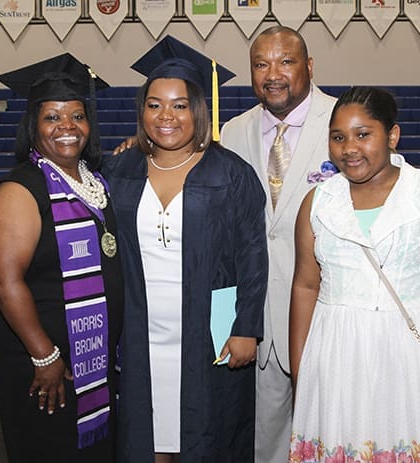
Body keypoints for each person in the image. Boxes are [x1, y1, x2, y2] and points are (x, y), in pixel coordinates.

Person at [289, 86, 420, 462]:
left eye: (363, 134)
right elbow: (305, 286)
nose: (350, 147)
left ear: (392, 135)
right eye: (339, 137)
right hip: (338, 353)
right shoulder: (317, 203)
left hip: (413, 356)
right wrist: (303, 370)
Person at [101, 36, 268, 463]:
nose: (166, 116)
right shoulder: (119, 169)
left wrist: (247, 326)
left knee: (206, 433)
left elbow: (252, 254)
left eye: (179, 104)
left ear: (198, 108)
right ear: (141, 111)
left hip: (207, 329)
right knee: (146, 430)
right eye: (154, 104)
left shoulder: (231, 172)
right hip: (140, 330)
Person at [0, 54, 123, 463]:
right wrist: (44, 355)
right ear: (34, 125)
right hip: (46, 362)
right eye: (52, 117)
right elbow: (4, 280)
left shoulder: (94, 180)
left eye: (77, 115)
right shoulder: (21, 189)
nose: (67, 126)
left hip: (94, 356)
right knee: (51, 448)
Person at [219, 26, 337, 463]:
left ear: (308, 66)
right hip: (259, 313)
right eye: (261, 64)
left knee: (332, 427)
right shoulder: (233, 131)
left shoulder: (343, 122)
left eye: (285, 61)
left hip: (328, 309)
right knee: (267, 433)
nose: (273, 74)